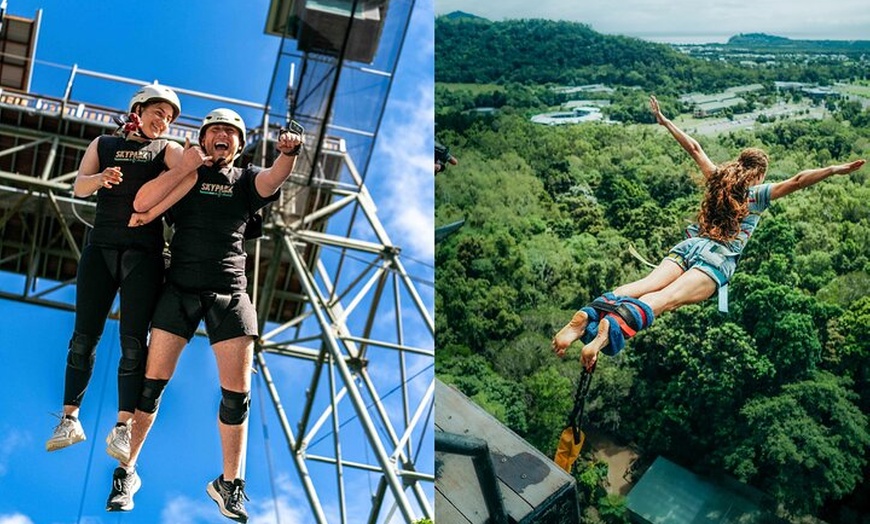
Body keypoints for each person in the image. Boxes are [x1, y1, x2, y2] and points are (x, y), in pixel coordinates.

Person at [553, 95, 866, 371]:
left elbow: (695, 147)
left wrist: (664, 121)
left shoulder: (717, 178)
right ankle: (609, 329)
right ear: (759, 173)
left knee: (642, 286)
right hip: (715, 261)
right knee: (664, 300)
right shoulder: (757, 195)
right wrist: (832, 169)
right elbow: (798, 180)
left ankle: (585, 319)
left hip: (689, 247)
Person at [103, 108, 303, 521]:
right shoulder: (187, 174)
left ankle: (229, 485)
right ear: (203, 138)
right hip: (178, 290)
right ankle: (127, 472)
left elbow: (273, 178)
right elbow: (148, 199)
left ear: (239, 144)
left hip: (229, 294)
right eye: (215, 131)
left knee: (236, 396)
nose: (222, 137)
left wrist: (289, 154)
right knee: (151, 386)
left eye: (230, 133)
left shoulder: (246, 180)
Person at [46, 85, 204, 463]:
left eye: (169, 116)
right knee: (83, 337)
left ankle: (123, 426)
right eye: (157, 111)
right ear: (138, 109)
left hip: (144, 254)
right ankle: (69, 419)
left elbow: (190, 177)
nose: (163, 120)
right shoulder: (102, 144)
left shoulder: (169, 149)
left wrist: (151, 214)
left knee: (134, 342)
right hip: (100, 249)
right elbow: (80, 187)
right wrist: (100, 179)